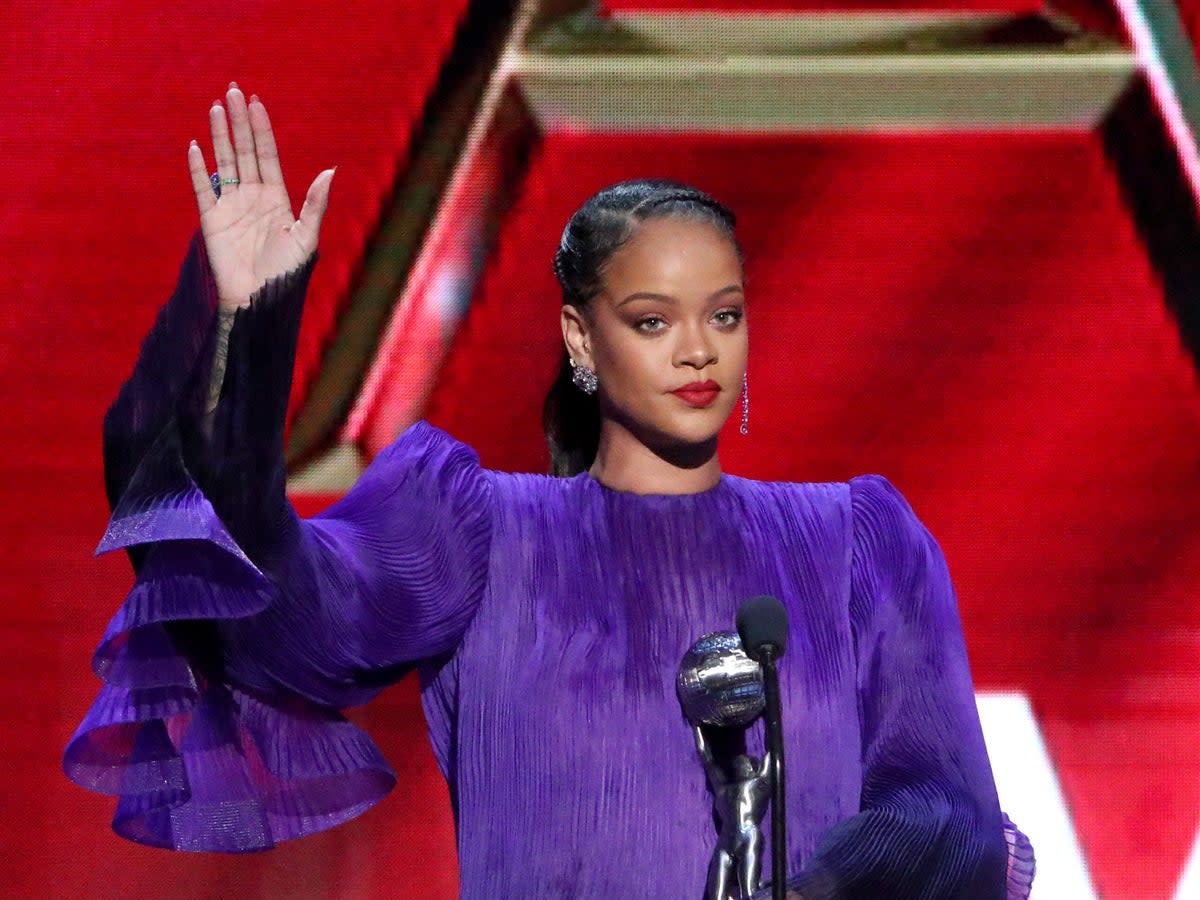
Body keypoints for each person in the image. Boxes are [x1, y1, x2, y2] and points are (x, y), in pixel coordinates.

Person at [64, 82, 1036, 898]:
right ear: (580, 338)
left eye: (724, 315)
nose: (699, 348)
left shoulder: (857, 541)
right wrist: (252, 328)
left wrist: (806, 884)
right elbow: (282, 620)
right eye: (653, 320)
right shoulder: (477, 532)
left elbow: (948, 816)